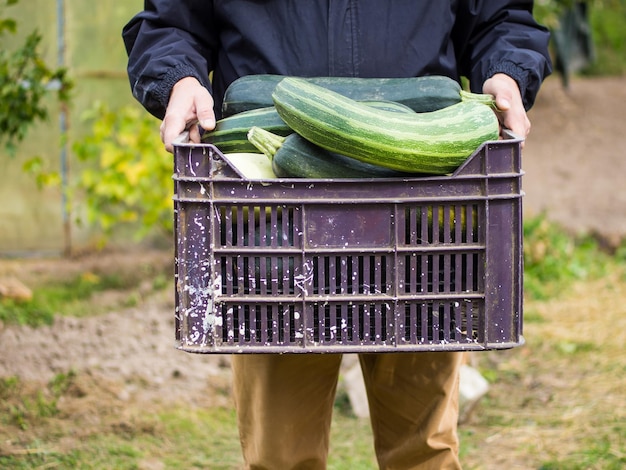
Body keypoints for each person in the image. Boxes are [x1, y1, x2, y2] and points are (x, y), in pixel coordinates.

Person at [123, 2, 552, 469]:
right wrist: (179, 77)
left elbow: (499, 15)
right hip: (270, 223)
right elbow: (169, 23)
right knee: (280, 456)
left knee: (423, 453)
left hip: (420, 223)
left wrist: (506, 71)